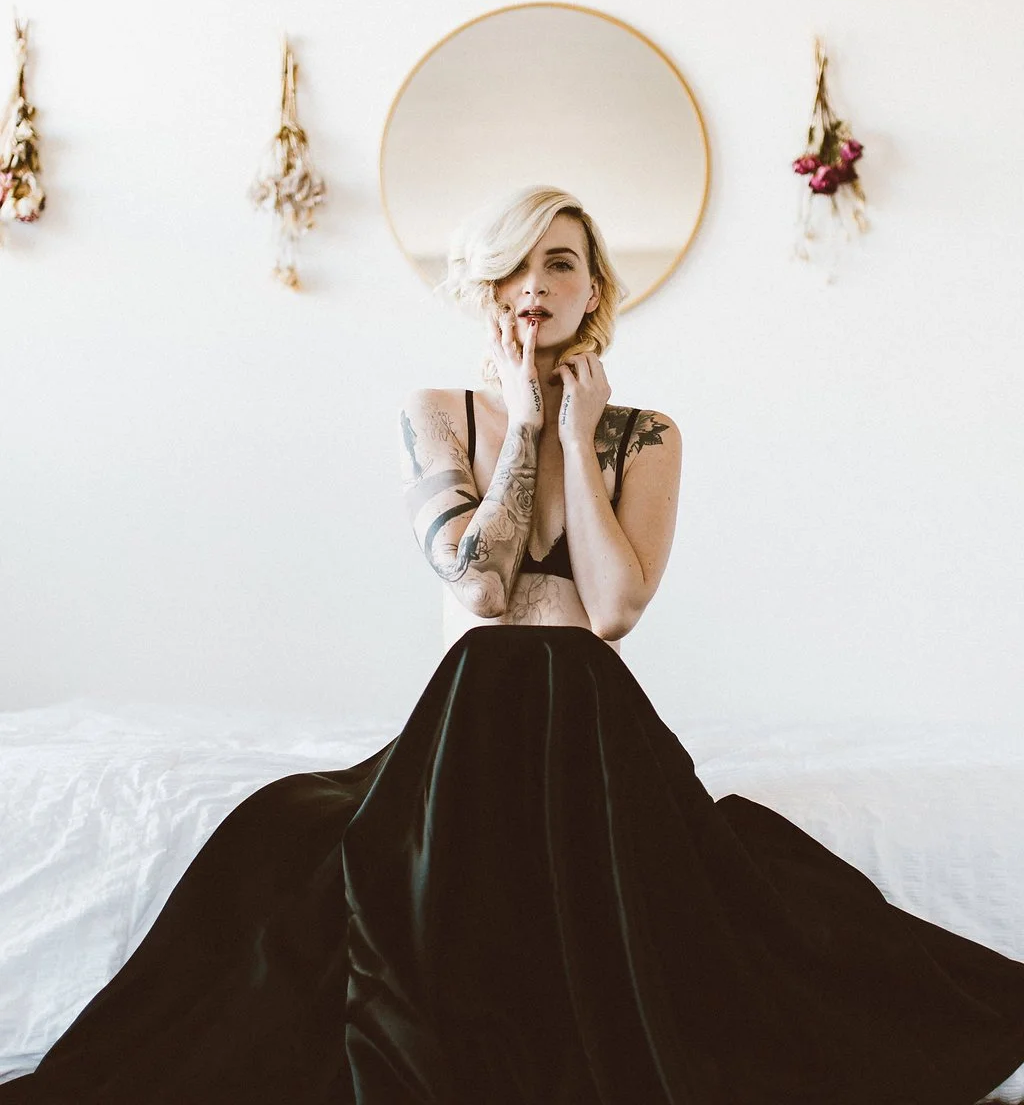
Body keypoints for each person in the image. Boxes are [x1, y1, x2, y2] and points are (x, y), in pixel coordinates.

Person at [4, 185, 1024, 1105]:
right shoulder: (435, 413)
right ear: (482, 285)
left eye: (562, 262)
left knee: (601, 720)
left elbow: (617, 608)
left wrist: (576, 435)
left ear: (594, 292)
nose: (536, 282)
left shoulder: (645, 433)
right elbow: (482, 585)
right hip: (466, 714)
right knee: (289, 835)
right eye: (516, 263)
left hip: (591, 714)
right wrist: (526, 421)